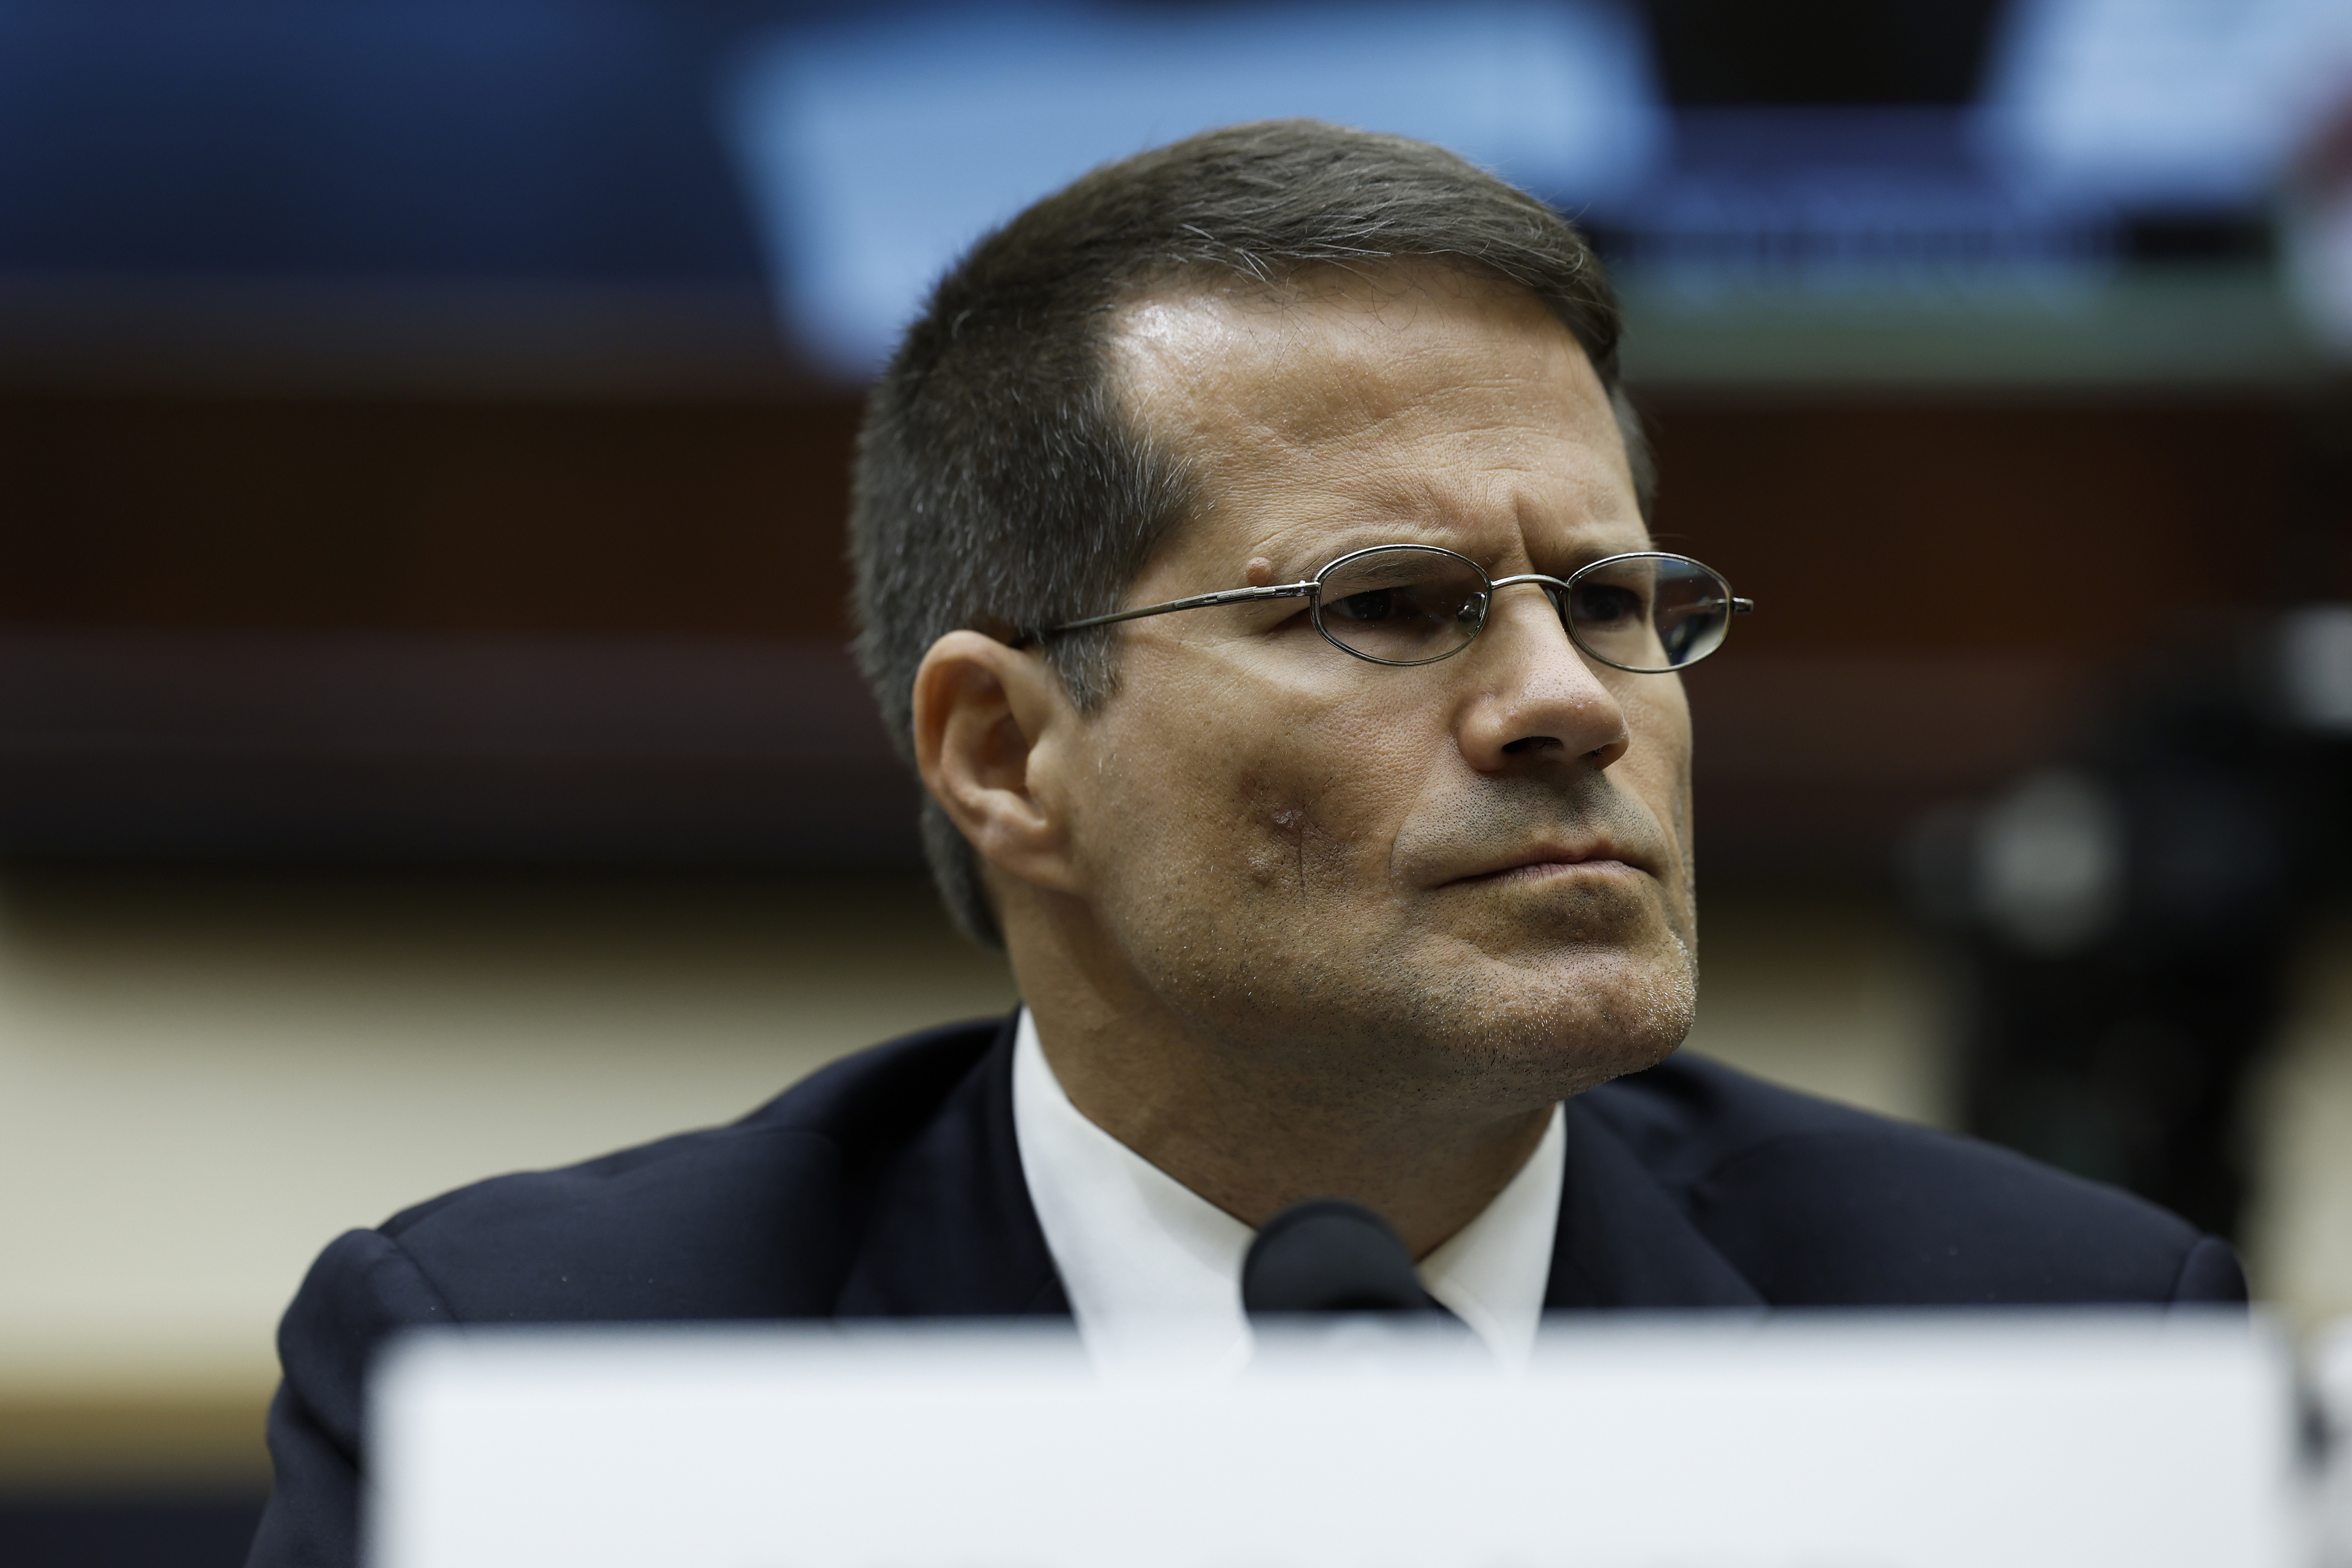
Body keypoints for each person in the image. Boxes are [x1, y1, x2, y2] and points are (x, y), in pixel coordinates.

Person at [245, 121, 2243, 1567]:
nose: (1567, 701)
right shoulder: (547, 1376)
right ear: (1005, 752)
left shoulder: (2052, 1339)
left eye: (1619, 600)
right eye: (1385, 604)